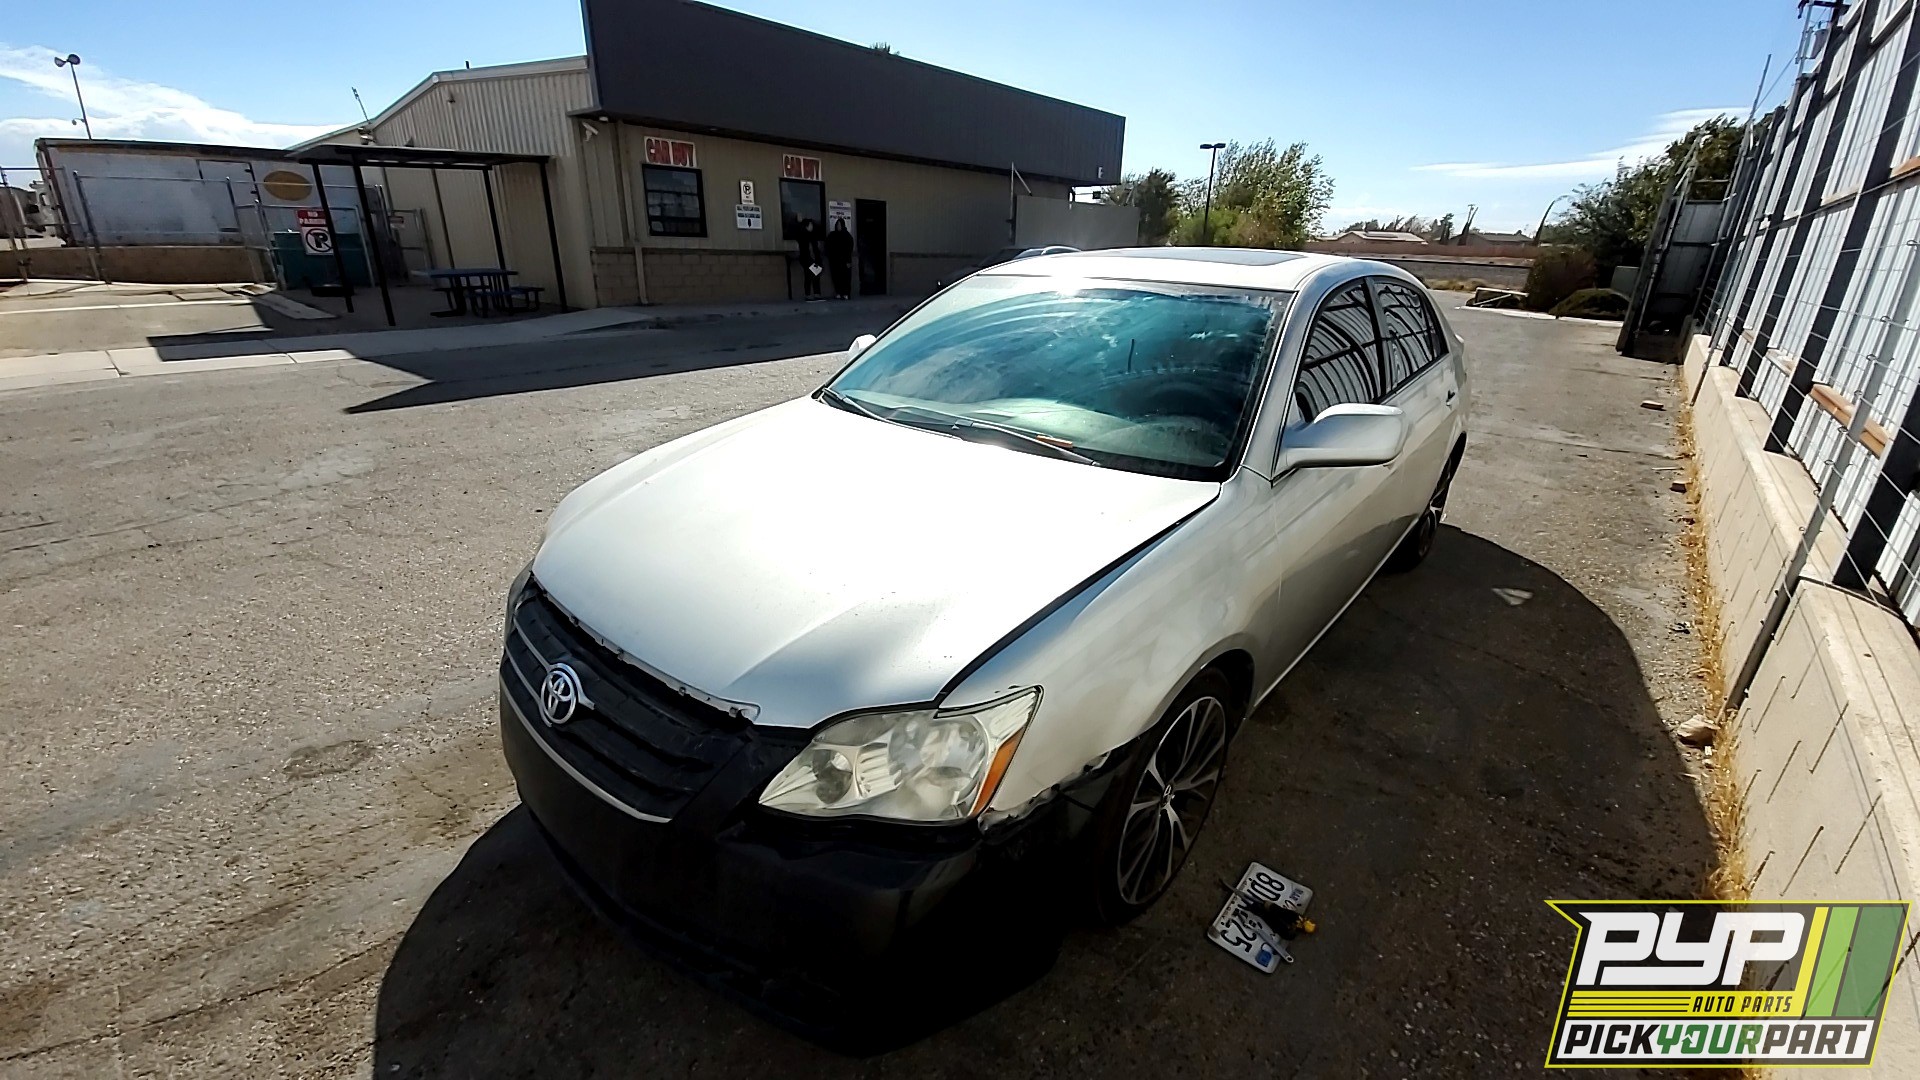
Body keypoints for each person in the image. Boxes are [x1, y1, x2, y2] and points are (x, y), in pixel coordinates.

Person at [826, 218, 855, 300]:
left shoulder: (847, 236)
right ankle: (838, 292)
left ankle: (846, 293)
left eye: (840, 225)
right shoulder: (832, 235)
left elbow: (849, 249)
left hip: (844, 261)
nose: (838, 226)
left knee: (845, 278)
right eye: (837, 224)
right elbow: (828, 247)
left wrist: (848, 261)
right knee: (836, 277)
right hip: (835, 261)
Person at [795, 218, 823, 301]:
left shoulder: (813, 236)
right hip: (807, 259)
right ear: (806, 226)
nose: (812, 226)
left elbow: (816, 248)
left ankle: (817, 293)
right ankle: (808, 294)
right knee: (808, 276)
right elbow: (804, 250)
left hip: (814, 259)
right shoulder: (802, 236)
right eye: (810, 225)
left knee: (816, 275)